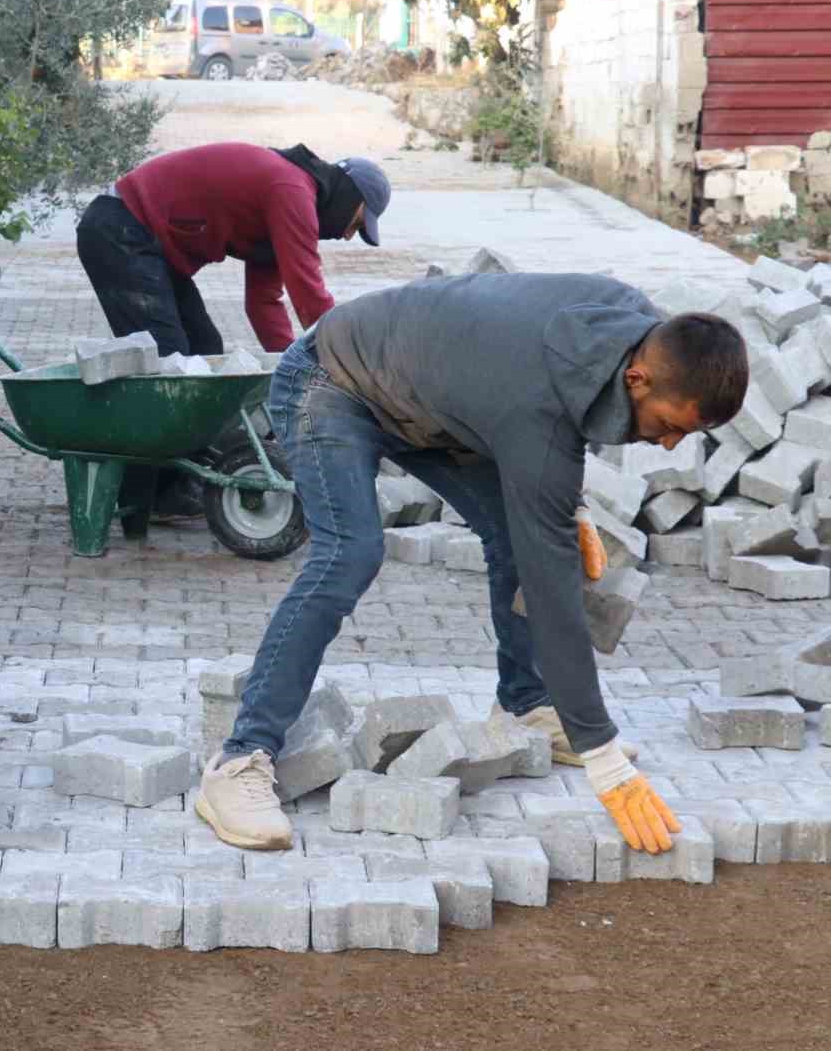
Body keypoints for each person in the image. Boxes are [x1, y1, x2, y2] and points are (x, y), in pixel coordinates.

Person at [193, 272, 749, 856]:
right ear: (637, 379)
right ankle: (239, 760)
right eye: (669, 427)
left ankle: (527, 704)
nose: (667, 446)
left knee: (520, 534)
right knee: (349, 553)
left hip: (435, 404)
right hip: (333, 380)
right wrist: (603, 756)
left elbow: (557, 407)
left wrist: (565, 503)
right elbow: (552, 584)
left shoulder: (636, 322)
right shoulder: (535, 401)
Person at [75, 141, 391, 517]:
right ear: (347, 196)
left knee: (205, 348)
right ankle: (140, 496)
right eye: (356, 223)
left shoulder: (289, 197)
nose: (346, 235)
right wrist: (348, 366)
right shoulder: (291, 191)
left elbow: (264, 305)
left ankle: (170, 485)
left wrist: (291, 374)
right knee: (170, 364)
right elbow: (309, 295)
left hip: (146, 243)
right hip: (121, 229)